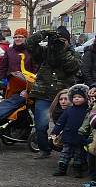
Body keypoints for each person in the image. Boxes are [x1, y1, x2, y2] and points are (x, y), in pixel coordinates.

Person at [28, 28, 82, 159]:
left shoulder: (74, 54)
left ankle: (68, 151)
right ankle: (44, 149)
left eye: (63, 41)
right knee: (41, 125)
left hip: (64, 96)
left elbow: (72, 66)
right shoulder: (44, 53)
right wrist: (44, 34)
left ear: (68, 42)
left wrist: (61, 51)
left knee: (68, 125)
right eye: (57, 41)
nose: (59, 43)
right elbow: (29, 44)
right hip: (44, 93)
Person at [50, 84, 90, 177]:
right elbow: (61, 122)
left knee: (78, 156)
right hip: (68, 137)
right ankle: (61, 169)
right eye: (74, 97)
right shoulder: (68, 110)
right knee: (65, 154)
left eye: (79, 97)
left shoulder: (88, 111)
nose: (76, 99)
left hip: (81, 138)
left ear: (85, 98)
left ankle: (78, 171)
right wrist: (54, 132)